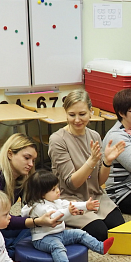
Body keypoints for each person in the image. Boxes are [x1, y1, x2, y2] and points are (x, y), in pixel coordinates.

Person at [48, 89, 126, 241]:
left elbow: (99, 182)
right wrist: (91, 162)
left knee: (119, 229)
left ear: (91, 112)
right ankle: (64, 225)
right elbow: (72, 184)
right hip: (70, 199)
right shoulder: (57, 140)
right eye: (72, 115)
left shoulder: (94, 135)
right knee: (101, 233)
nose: (77, 120)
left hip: (94, 196)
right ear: (66, 113)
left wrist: (107, 162)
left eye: (82, 114)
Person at [21, 170, 115, 262]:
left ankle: (100, 247)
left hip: (60, 233)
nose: (58, 191)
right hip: (43, 239)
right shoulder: (38, 207)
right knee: (57, 246)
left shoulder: (54, 201)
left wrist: (85, 205)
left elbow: (69, 204)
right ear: (41, 193)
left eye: (57, 187)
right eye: (53, 189)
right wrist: (68, 212)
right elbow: (54, 217)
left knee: (80, 233)